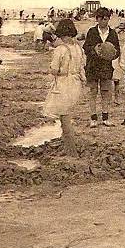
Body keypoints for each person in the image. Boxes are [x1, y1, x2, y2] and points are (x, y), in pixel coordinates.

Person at [44, 19, 86, 156]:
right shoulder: (78, 48)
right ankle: (68, 147)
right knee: (66, 114)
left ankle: (71, 151)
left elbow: (55, 69)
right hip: (76, 82)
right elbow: (81, 67)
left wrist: (51, 69)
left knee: (64, 117)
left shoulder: (60, 49)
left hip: (64, 83)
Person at [82, 7, 120, 127]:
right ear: (97, 19)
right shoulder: (92, 32)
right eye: (102, 19)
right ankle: (93, 118)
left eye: (107, 19)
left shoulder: (113, 33)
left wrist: (112, 54)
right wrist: (95, 50)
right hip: (92, 66)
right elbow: (85, 48)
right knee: (93, 91)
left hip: (106, 67)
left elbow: (117, 50)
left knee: (105, 92)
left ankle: (105, 117)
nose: (105, 21)